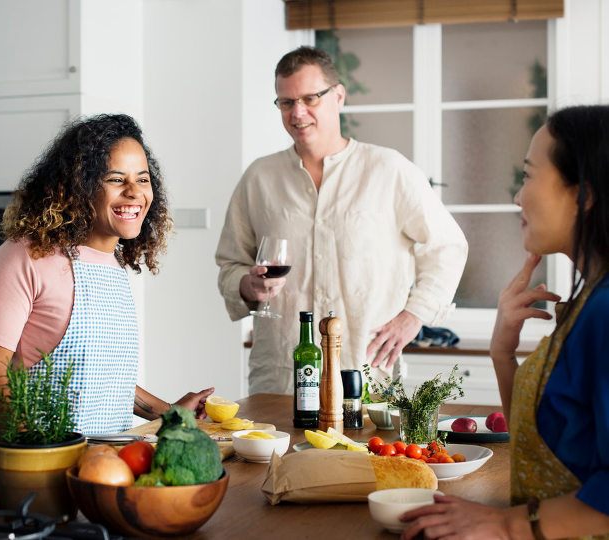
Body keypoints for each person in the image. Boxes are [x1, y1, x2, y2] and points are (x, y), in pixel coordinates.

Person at [401, 105, 609, 539]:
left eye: (529, 175)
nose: (518, 196)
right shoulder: (589, 300)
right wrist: (502, 352)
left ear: (583, 193)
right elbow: (547, 448)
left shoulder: (605, 312)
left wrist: (508, 524)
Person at [0, 113, 214, 473]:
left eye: (142, 179)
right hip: (24, 476)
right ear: (79, 185)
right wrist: (39, 457)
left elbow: (102, 377)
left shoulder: (113, 265)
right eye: (116, 179)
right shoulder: (25, 256)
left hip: (99, 472)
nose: (134, 192)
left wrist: (171, 413)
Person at [215, 46, 468, 394]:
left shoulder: (388, 170)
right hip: (281, 378)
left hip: (366, 375)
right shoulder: (259, 177)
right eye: (286, 102)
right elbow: (231, 263)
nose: (297, 113)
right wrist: (248, 285)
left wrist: (414, 317)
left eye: (309, 98)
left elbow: (448, 246)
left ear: (338, 96)